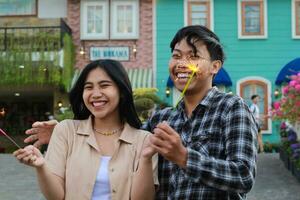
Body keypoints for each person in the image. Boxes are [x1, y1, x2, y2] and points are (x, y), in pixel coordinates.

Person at [24, 25, 257, 199]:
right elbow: (120, 138)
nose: (182, 63)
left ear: (214, 67)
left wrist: (184, 157)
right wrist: (70, 131)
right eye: (177, 56)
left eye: (193, 56)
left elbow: (243, 176)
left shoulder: (231, 108)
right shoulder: (162, 118)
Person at [14, 59, 158, 200]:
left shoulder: (144, 140)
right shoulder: (65, 131)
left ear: (121, 91)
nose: (95, 94)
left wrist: (145, 159)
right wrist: (41, 166)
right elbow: (56, 196)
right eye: (88, 87)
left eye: (104, 85)